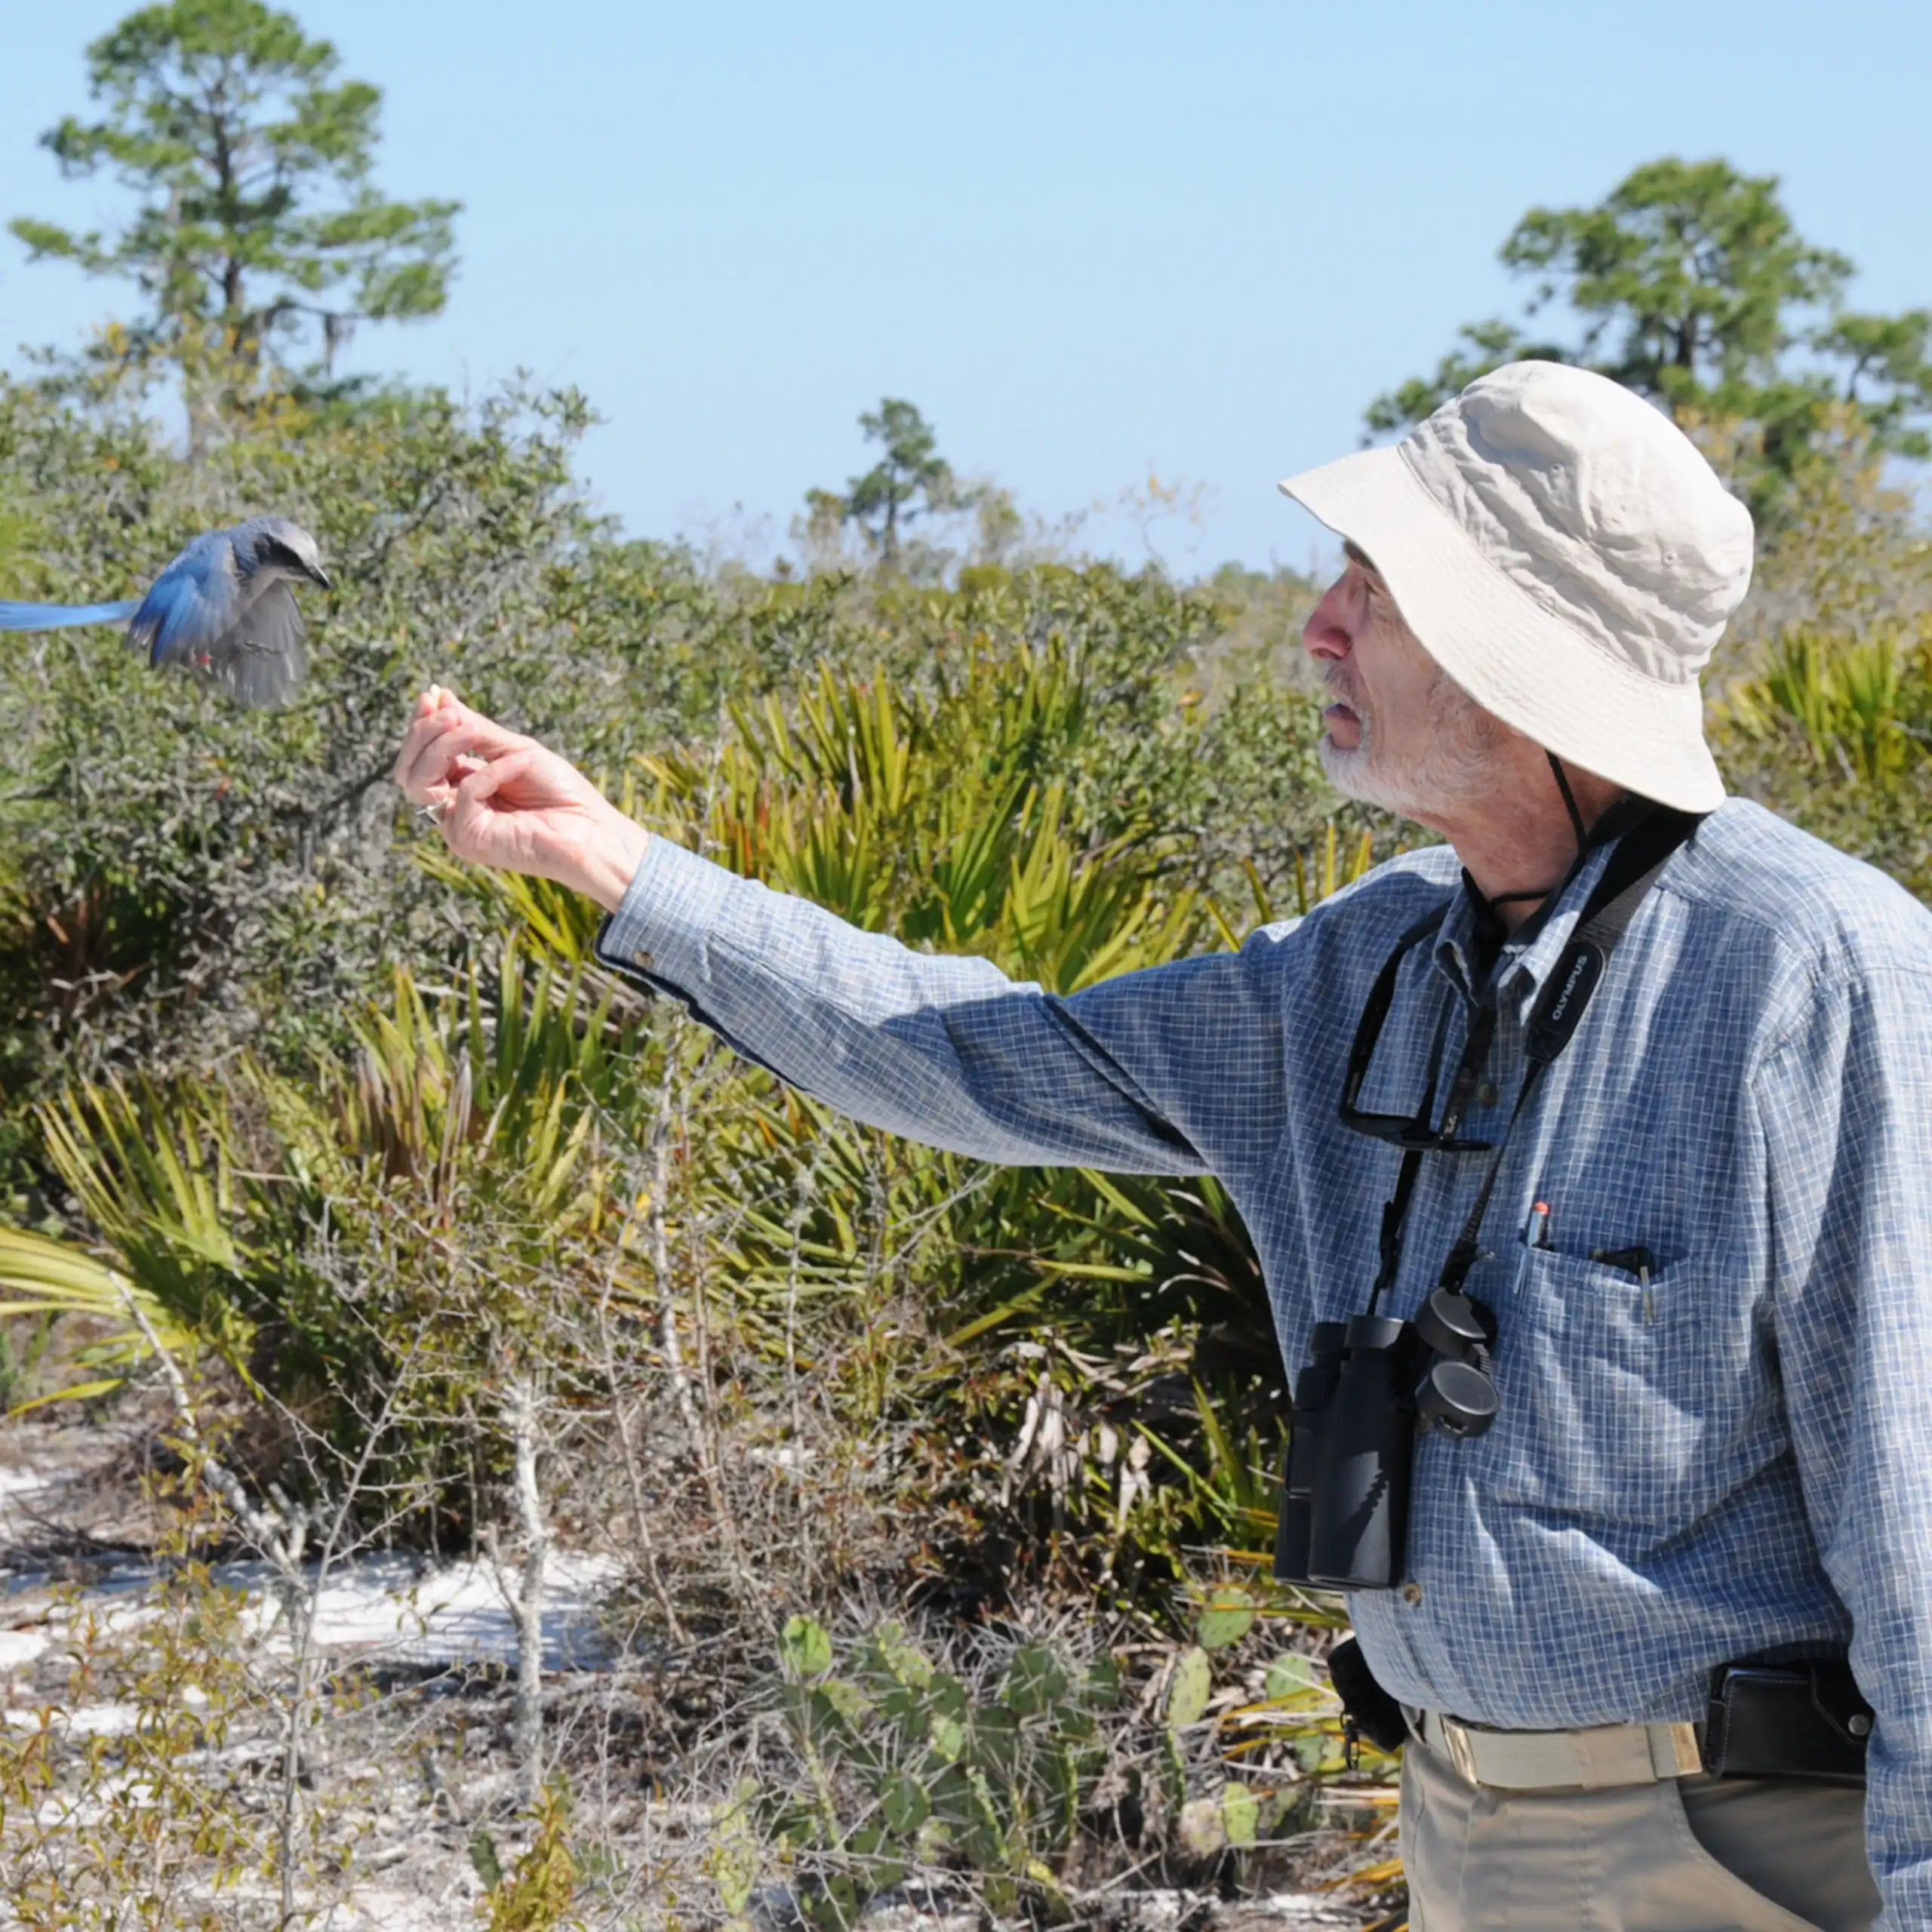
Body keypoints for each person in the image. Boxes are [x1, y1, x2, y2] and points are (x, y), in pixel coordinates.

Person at [391, 361, 1929, 1931]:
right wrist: (617, 865)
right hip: (1461, 1835)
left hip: (1744, 1862)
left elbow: (1919, 1532)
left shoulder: (1812, 977)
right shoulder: (1349, 972)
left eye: (1373, 587)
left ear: (1517, 651)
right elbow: (963, 1054)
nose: (1318, 627)